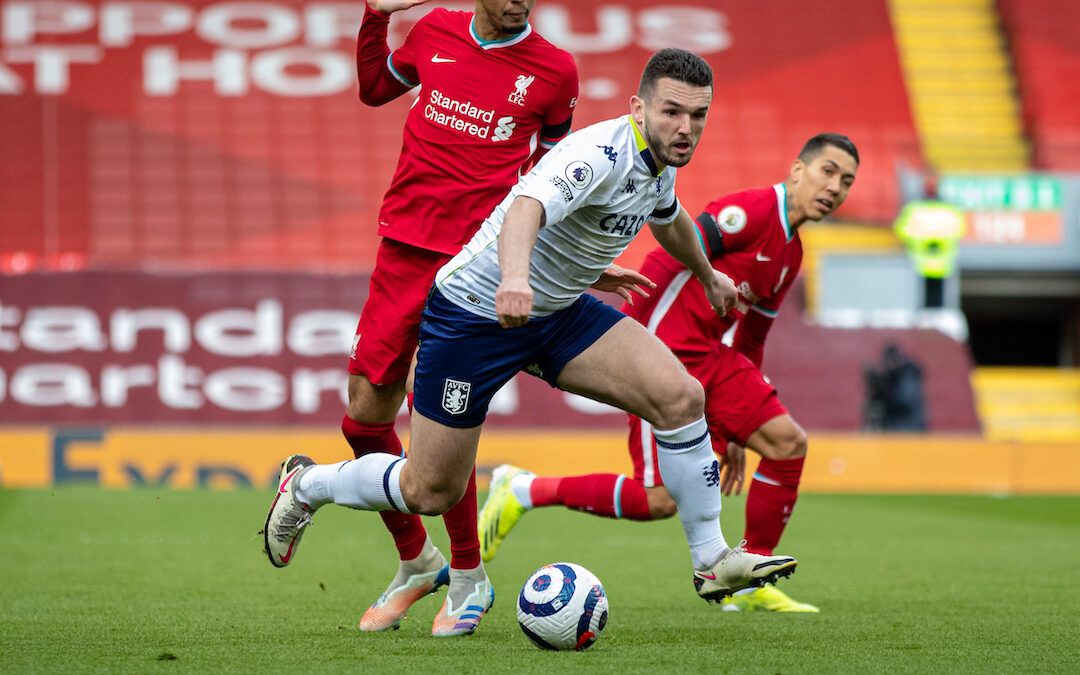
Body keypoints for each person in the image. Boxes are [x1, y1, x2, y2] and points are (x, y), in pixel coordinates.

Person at [263, 49, 800, 631]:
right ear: (638, 108)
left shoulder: (660, 163)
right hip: (475, 315)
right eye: (672, 112)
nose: (686, 127)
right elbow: (525, 207)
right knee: (429, 490)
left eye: (698, 116)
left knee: (681, 397)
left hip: (557, 314)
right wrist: (515, 280)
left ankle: (711, 561)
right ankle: (309, 483)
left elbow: (668, 216)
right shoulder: (597, 154)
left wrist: (707, 273)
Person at [477, 133, 860, 613]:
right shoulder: (752, 211)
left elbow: (753, 339)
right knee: (659, 500)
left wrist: (740, 431)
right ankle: (524, 489)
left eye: (846, 181)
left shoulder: (792, 254)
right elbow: (675, 248)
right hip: (670, 353)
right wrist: (640, 345)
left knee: (787, 444)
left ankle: (746, 576)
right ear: (798, 170)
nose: (835, 187)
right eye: (828, 171)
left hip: (714, 359)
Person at [293, 0, 579, 637]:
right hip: (403, 246)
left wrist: (541, 257)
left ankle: (470, 576)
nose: (518, 3)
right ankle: (418, 562)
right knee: (363, 415)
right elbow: (373, 91)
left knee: (440, 424)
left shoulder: (555, 71)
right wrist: (374, 17)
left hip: (476, 262)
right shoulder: (433, 30)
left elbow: (553, 177)